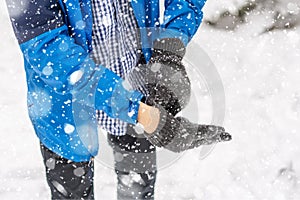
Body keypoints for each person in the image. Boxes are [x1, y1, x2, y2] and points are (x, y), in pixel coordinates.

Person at [5, 0, 231, 199]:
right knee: (71, 193)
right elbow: (47, 47)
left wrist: (168, 51)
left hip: (138, 79)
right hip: (65, 104)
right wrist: (142, 113)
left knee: (138, 190)